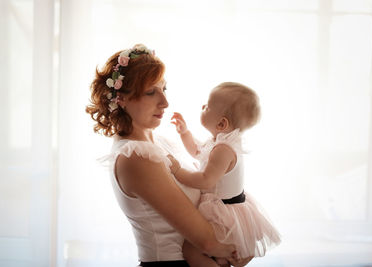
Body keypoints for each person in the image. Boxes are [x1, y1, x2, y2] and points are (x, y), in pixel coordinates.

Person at [86, 44, 252, 267]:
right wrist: (238, 247)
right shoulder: (137, 157)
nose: (165, 102)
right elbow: (207, 242)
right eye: (150, 92)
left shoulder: (157, 142)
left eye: (164, 89)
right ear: (122, 99)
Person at [169, 82, 281, 267]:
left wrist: (177, 171)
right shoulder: (220, 142)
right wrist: (184, 132)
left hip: (224, 213)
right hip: (228, 208)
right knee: (219, 258)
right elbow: (198, 151)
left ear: (221, 123)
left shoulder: (224, 150)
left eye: (207, 106)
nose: (202, 107)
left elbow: (206, 180)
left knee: (190, 250)